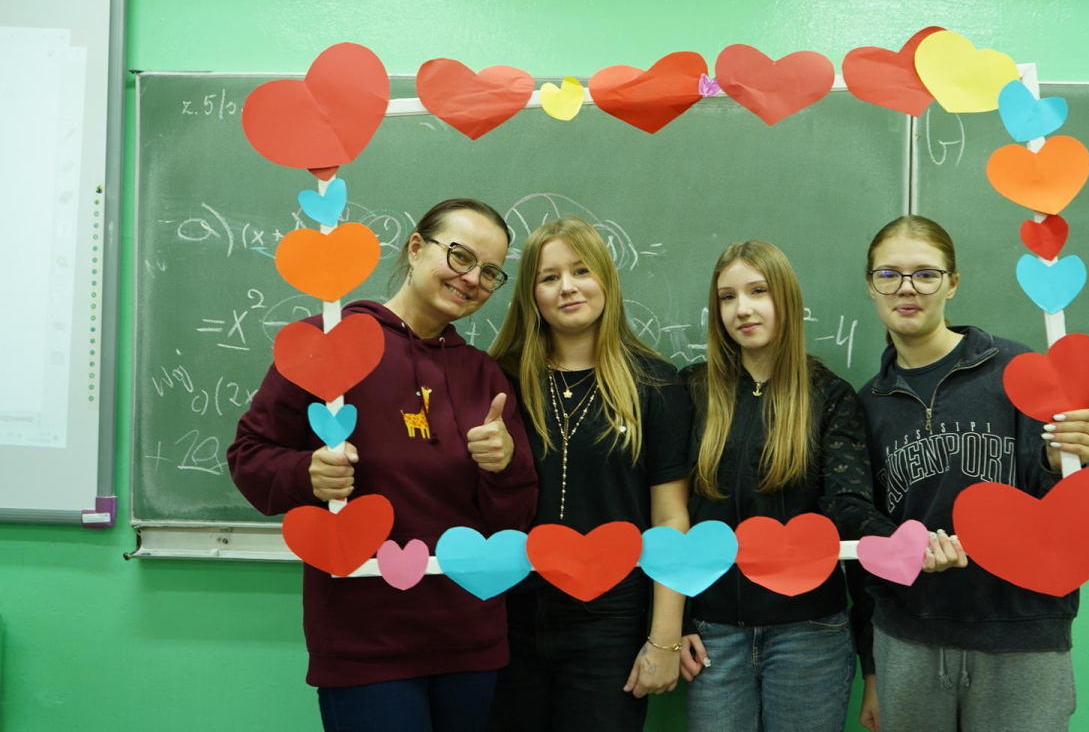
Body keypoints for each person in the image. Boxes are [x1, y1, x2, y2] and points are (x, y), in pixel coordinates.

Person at [227, 199, 538, 732]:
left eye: (490, 272)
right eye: (460, 256)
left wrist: (504, 466)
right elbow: (249, 457)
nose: (472, 279)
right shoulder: (328, 344)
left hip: (469, 638)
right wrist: (306, 474)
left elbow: (513, 517)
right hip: (364, 640)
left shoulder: (484, 375)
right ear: (416, 248)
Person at [677, 240, 955, 732]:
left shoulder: (830, 396)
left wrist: (904, 543)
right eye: (727, 297)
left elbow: (848, 506)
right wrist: (675, 626)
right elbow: (668, 514)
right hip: (712, 634)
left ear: (786, 298)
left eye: (758, 291)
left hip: (809, 635)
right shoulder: (690, 391)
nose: (743, 309)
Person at [855, 215, 1089, 732]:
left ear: (953, 283)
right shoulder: (866, 404)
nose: (907, 288)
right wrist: (872, 669)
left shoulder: (1018, 370)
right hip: (908, 639)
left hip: (1021, 635)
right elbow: (865, 538)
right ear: (870, 285)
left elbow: (1082, 510)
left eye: (926, 274)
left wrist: (1067, 459)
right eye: (889, 274)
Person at [487, 216, 692, 731]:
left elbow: (670, 519)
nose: (568, 287)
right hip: (509, 617)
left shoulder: (656, 384)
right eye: (549, 277)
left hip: (611, 620)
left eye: (581, 271)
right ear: (531, 294)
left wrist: (665, 638)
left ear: (606, 278)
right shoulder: (501, 379)